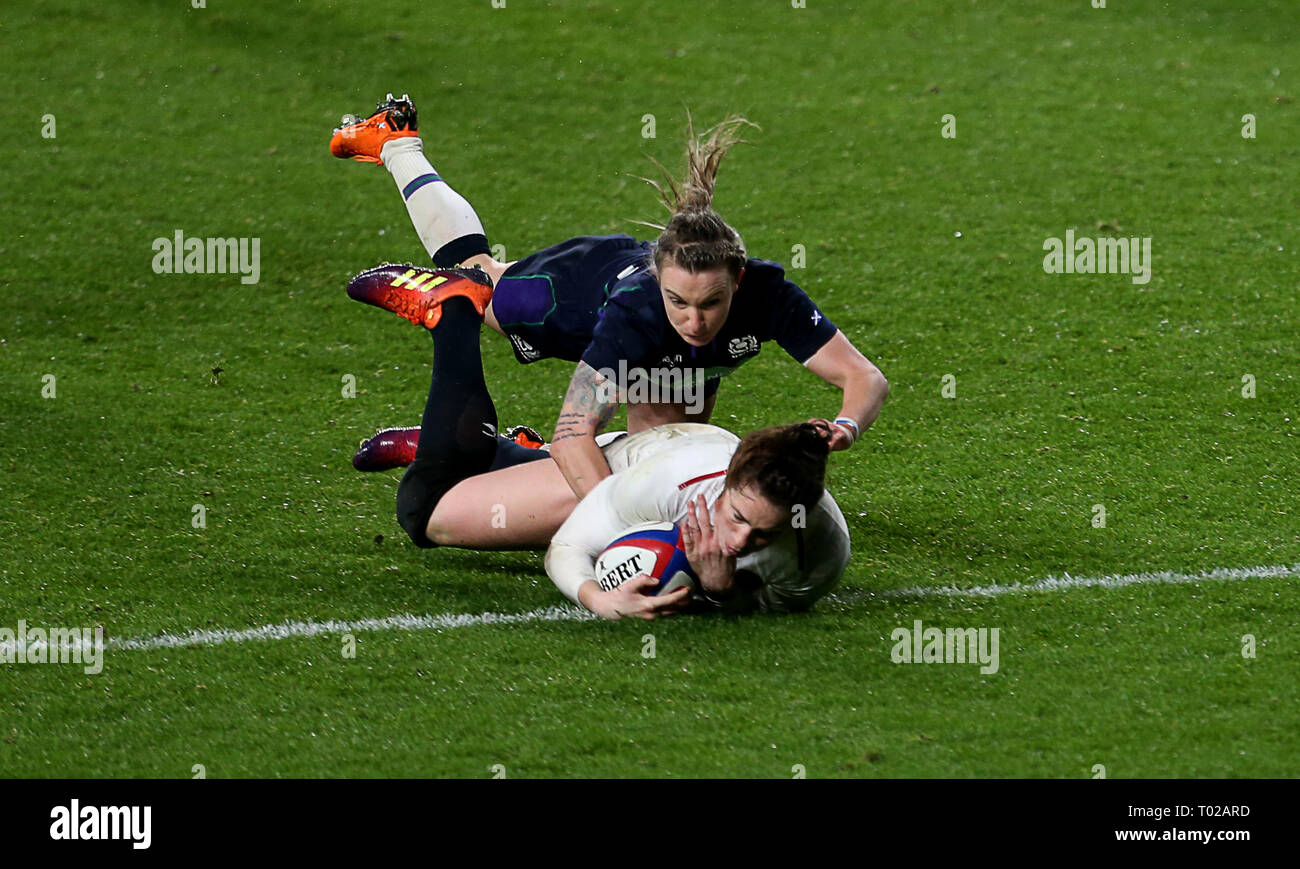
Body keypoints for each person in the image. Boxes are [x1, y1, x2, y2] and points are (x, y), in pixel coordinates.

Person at [330, 94, 889, 499]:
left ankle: (488, 452)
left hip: (669, 365)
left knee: (660, 455)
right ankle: (398, 143)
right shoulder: (636, 313)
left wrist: (846, 426)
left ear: (737, 283)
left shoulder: (767, 295)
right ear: (660, 283)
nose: (694, 321)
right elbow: (575, 438)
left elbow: (865, 379)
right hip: (575, 295)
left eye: (711, 304)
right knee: (474, 279)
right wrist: (621, 524)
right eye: (679, 303)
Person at [344, 263, 850, 620]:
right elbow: (569, 546)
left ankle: (506, 455)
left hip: (684, 439)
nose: (740, 542)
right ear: (728, 483)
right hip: (640, 458)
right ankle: (453, 312)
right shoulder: (655, 490)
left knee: (494, 493)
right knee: (423, 511)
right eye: (738, 518)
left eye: (765, 535)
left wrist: (719, 591)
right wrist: (598, 598)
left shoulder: (821, 554)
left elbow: (766, 605)